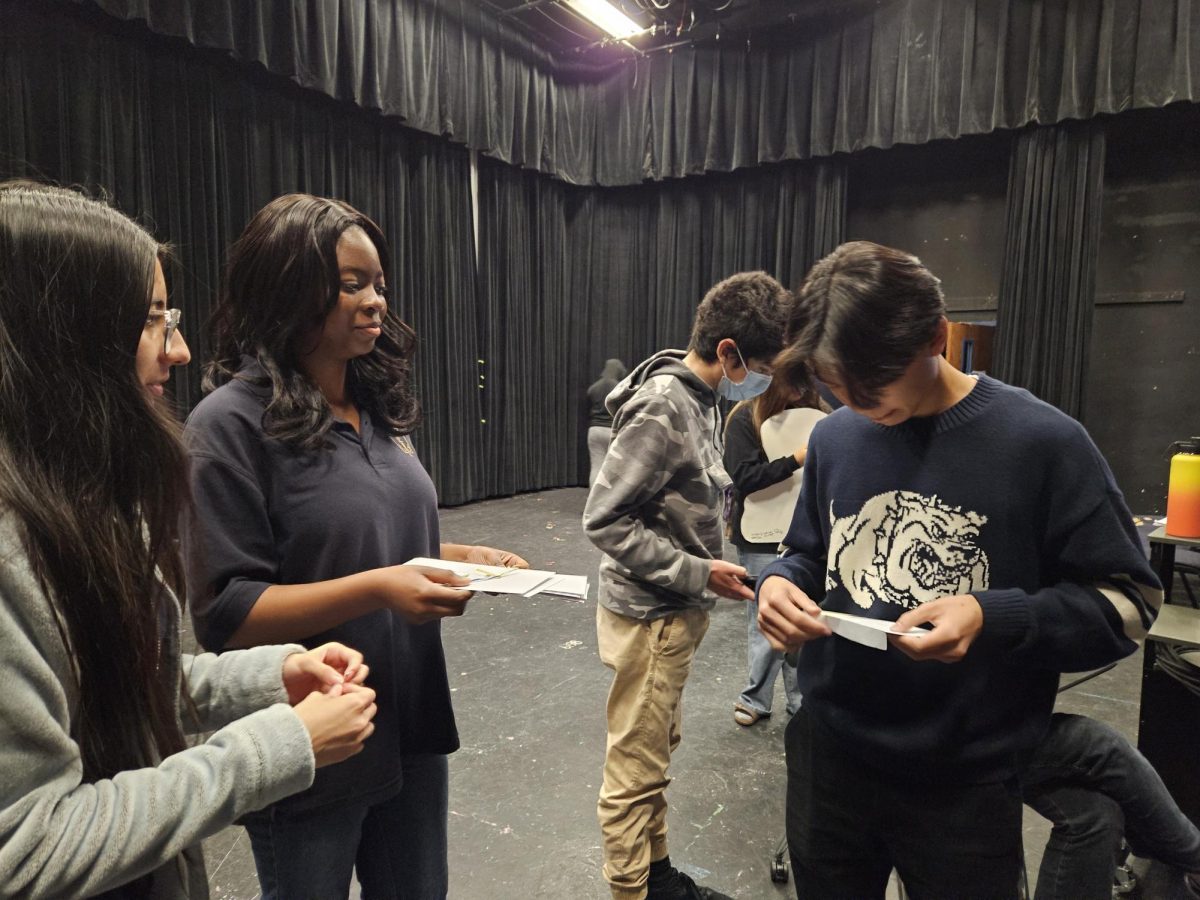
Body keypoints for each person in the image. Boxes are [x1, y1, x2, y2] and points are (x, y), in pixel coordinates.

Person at [0, 181, 377, 897]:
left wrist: (271, 678)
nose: (177, 350)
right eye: (150, 322)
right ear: (66, 338)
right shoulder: (13, 550)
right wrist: (276, 746)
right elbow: (22, 845)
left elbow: (133, 688)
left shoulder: (84, 509)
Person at [756, 241, 1162, 898]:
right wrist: (778, 582)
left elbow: (1129, 603)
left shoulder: (1042, 443)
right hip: (828, 762)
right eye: (838, 388)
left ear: (936, 339)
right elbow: (808, 552)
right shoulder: (836, 437)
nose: (857, 407)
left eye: (875, 386)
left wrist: (993, 613)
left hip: (964, 784)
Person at [183, 193, 527, 900]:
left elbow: (363, 536)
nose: (375, 302)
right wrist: (380, 587)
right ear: (287, 286)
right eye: (351, 284)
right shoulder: (227, 427)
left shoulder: (375, 412)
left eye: (379, 285)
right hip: (310, 742)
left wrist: (460, 555)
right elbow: (228, 611)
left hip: (408, 722)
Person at [584, 270, 790, 900]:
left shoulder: (700, 400)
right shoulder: (663, 405)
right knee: (636, 767)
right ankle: (630, 890)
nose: (765, 382)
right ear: (727, 352)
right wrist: (699, 571)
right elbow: (604, 519)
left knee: (657, 752)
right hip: (651, 618)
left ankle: (658, 873)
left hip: (674, 615)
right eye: (761, 366)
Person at [724, 354, 828, 727]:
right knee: (764, 620)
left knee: (805, 619)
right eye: (792, 382)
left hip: (808, 537)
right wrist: (796, 459)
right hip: (760, 536)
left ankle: (802, 701)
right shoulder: (744, 418)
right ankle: (756, 697)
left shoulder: (822, 417)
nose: (799, 391)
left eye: (805, 383)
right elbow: (744, 477)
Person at [1019, 712, 1200, 899]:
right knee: (1104, 747)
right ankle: (1196, 860)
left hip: (1006, 724)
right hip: (995, 739)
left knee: (1100, 816)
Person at [587, 358, 628, 486]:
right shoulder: (620, 387)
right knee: (615, 466)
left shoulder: (593, 388)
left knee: (596, 466)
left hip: (594, 430)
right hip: (612, 430)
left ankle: (593, 498)